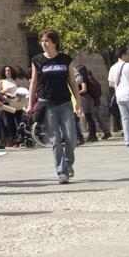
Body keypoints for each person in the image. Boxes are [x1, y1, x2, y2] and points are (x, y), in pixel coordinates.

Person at [27, 30, 84, 184]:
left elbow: (72, 81)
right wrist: (30, 104)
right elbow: (33, 83)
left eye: (47, 41)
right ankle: (62, 172)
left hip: (65, 102)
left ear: (55, 42)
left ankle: (68, 162)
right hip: (47, 103)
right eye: (42, 41)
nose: (44, 44)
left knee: (71, 137)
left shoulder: (65, 59)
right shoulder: (37, 60)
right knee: (55, 140)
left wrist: (78, 101)